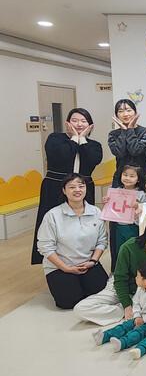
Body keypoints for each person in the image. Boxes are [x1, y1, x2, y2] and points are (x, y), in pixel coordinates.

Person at [73, 211, 146, 326]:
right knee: (80, 309)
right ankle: (123, 310)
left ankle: (131, 309)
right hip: (121, 286)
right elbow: (120, 278)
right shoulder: (129, 246)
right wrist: (126, 305)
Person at [32, 108, 103, 264]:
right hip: (55, 187)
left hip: (83, 189)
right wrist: (75, 138)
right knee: (54, 224)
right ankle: (54, 261)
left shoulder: (94, 145)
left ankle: (84, 257)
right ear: (67, 123)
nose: (79, 124)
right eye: (75, 120)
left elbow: (93, 159)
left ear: (90, 125)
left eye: (83, 121)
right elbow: (62, 156)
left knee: (83, 225)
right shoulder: (55, 139)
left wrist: (82, 140)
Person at [36, 173, 108, 309]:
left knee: (103, 295)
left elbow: (102, 241)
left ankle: (82, 285)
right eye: (72, 187)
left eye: (81, 186)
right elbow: (45, 246)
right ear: (64, 190)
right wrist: (66, 268)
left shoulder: (96, 212)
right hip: (60, 267)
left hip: (88, 264)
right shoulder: (53, 215)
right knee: (68, 302)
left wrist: (93, 261)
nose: (77, 190)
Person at [93, 260, 146, 352]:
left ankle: (123, 343)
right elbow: (136, 302)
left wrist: (144, 319)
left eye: (137, 276)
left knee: (139, 332)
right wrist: (137, 315)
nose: (135, 278)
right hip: (140, 316)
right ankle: (104, 336)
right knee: (125, 325)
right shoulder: (140, 287)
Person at [107, 164, 146, 270]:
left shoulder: (141, 194)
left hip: (134, 227)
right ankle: (120, 271)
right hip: (118, 227)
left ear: (138, 179)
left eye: (132, 176)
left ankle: (134, 271)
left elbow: (145, 213)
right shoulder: (115, 191)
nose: (127, 178)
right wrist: (107, 201)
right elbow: (110, 208)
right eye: (125, 175)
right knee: (120, 250)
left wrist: (138, 206)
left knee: (133, 250)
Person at [108, 99, 146, 188]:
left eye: (128, 110)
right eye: (121, 111)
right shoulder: (113, 134)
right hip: (120, 180)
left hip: (142, 179)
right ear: (116, 115)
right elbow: (119, 153)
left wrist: (130, 129)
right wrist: (124, 131)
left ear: (135, 112)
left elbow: (135, 150)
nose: (125, 114)